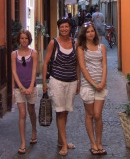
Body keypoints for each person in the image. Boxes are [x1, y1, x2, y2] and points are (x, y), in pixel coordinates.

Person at [42, 17, 80, 156]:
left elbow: (77, 65)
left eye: (66, 27)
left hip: (71, 81)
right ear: (59, 28)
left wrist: (78, 82)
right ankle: (64, 144)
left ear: (70, 28)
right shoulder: (54, 43)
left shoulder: (75, 43)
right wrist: (45, 83)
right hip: (56, 81)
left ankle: (60, 140)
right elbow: (45, 63)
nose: (64, 29)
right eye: (62, 27)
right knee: (60, 111)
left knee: (65, 112)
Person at [77, 22, 108, 155]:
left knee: (98, 114)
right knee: (90, 115)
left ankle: (99, 142)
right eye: (88, 31)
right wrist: (94, 84)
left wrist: (102, 82)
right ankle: (93, 143)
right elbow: (82, 68)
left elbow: (105, 65)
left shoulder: (102, 47)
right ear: (84, 34)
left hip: (101, 85)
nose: (90, 33)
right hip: (88, 85)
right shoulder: (81, 48)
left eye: (92, 31)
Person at [11, 30, 38, 155]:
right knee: (22, 114)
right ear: (19, 39)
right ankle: (22, 142)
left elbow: (34, 70)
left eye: (26, 38)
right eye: (21, 38)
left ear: (29, 39)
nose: (24, 40)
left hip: (31, 86)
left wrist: (31, 86)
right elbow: (14, 72)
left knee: (31, 110)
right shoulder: (14, 54)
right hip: (19, 88)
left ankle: (34, 131)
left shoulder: (34, 53)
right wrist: (21, 87)